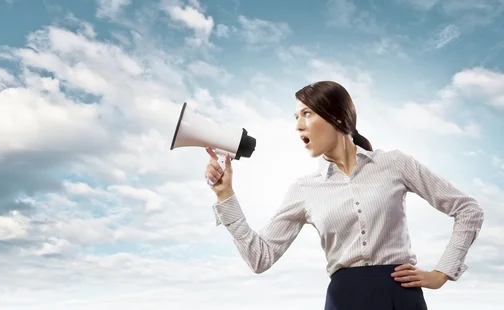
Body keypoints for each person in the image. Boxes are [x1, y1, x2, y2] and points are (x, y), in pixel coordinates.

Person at [204, 81, 484, 310]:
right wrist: (225, 195)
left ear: (337, 118)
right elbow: (260, 258)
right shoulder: (305, 189)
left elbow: (468, 209)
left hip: (401, 297)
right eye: (296, 117)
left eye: (307, 114)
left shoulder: (394, 164)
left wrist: (442, 274)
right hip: (345, 300)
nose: (298, 125)